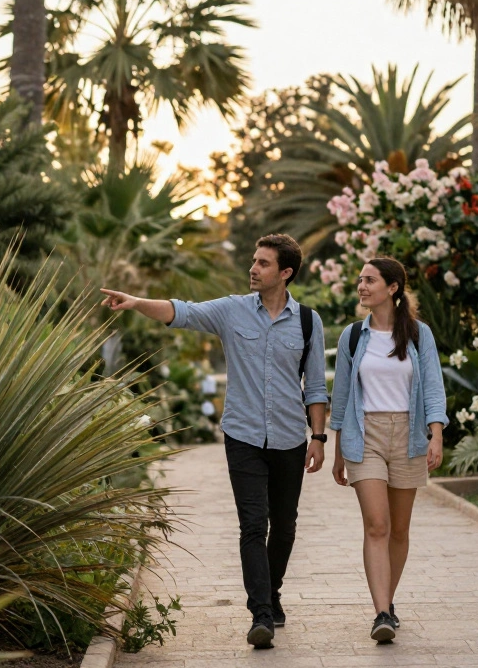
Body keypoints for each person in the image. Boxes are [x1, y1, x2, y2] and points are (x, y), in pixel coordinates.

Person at [100, 234, 329, 649]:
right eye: (253, 260)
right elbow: (180, 312)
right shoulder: (232, 310)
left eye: (262, 263)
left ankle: (271, 593)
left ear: (286, 272)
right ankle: (260, 613)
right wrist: (136, 301)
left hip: (290, 438)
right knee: (252, 524)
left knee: (285, 526)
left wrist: (318, 437)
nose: (253, 268)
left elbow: (315, 387)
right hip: (242, 434)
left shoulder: (308, 322)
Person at [328, 257, 447, 644]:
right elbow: (342, 394)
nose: (361, 286)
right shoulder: (352, 336)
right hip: (366, 435)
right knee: (377, 525)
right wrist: (338, 449)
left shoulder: (417, 334)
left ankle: (388, 602)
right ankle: (381, 612)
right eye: (360, 279)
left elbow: (432, 384)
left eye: (370, 280)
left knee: (399, 530)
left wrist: (436, 433)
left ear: (393, 288)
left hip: (409, 434)